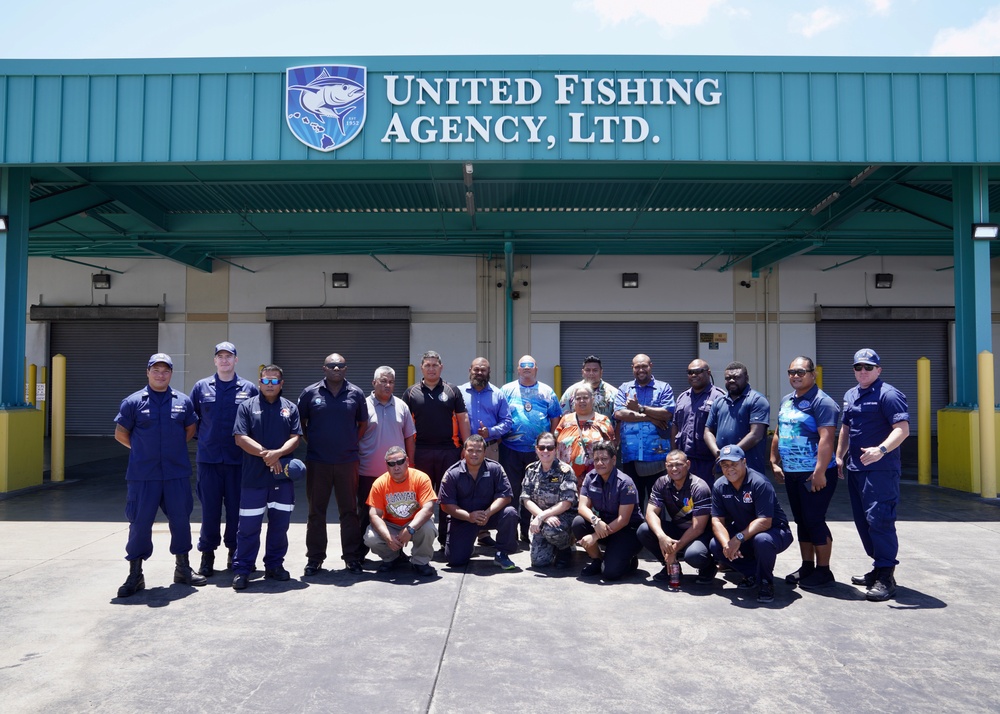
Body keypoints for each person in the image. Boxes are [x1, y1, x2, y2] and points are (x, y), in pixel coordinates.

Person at [113, 353, 206, 597]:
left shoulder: (182, 401)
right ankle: (135, 574)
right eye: (156, 370)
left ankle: (183, 568)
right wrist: (143, 450)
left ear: (171, 374)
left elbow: (190, 428)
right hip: (143, 475)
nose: (160, 374)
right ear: (148, 372)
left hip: (175, 473)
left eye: (165, 370)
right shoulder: (133, 402)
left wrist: (170, 450)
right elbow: (121, 433)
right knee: (140, 523)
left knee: (181, 520)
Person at [836, 348, 910, 602]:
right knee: (863, 521)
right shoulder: (851, 394)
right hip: (856, 468)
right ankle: (878, 567)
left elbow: (902, 430)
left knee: (880, 520)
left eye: (868, 367)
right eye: (858, 367)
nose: (863, 371)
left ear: (878, 369)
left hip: (881, 470)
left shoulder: (888, 395)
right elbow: (846, 428)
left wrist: (881, 450)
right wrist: (839, 455)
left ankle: (886, 575)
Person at [189, 341, 258, 576]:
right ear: (215, 360)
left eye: (229, 356)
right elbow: (192, 420)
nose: (225, 360)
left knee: (236, 511)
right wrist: (206, 438)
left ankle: (234, 552)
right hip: (209, 461)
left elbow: (255, 423)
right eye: (220, 356)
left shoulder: (249, 389)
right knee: (209, 510)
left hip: (239, 461)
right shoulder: (201, 387)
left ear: (236, 360)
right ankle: (207, 555)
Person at [231, 365, 303, 590]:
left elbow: (296, 438)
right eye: (266, 381)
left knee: (279, 526)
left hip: (282, 480)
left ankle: (274, 565)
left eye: (274, 381)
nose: (270, 385)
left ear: (281, 384)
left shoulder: (290, 408)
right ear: (259, 382)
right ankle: (243, 569)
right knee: (248, 527)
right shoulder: (246, 406)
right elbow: (240, 438)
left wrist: (278, 454)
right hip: (253, 479)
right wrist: (267, 455)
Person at [771, 356, 840, 589]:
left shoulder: (822, 402)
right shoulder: (787, 401)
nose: (795, 376)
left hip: (814, 474)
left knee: (814, 519)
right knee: (801, 520)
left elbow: (827, 438)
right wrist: (774, 461)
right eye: (791, 372)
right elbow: (780, 431)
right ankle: (807, 565)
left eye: (801, 372)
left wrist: (820, 472)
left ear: (813, 374)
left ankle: (824, 571)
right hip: (792, 472)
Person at [297, 352, 369, 576]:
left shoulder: (356, 394)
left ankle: (352, 557)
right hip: (318, 461)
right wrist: (315, 442)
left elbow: (363, 424)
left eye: (341, 366)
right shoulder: (310, 393)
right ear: (324, 369)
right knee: (316, 512)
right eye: (332, 366)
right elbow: (301, 423)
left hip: (348, 462)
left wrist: (349, 443)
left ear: (346, 369)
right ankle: (315, 558)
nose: (336, 369)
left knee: (349, 512)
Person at [402, 350, 471, 547]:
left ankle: (445, 541)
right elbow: (405, 425)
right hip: (420, 452)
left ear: (441, 367)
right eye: (427, 365)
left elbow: (463, 419)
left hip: (449, 451)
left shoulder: (452, 391)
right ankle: (419, 541)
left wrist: (466, 447)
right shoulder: (411, 392)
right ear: (421, 368)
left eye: (435, 365)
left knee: (446, 499)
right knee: (420, 499)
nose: (431, 369)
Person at [709, 445, 793, 604]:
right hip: (746, 532)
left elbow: (765, 522)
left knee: (761, 541)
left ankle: (766, 582)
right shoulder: (719, 485)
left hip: (776, 531)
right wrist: (727, 543)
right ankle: (753, 574)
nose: (729, 469)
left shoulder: (759, 482)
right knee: (716, 545)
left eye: (734, 464)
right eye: (725, 465)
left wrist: (738, 538)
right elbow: (717, 520)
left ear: (744, 462)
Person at [499, 355, 562, 540]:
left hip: (538, 452)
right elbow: (500, 415)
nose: (526, 368)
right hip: (510, 449)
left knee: (534, 492)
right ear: (518, 369)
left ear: (536, 369)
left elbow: (555, 418)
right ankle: (510, 532)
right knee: (511, 491)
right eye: (523, 366)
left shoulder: (547, 391)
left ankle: (529, 533)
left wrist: (548, 444)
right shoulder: (506, 390)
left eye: (530, 366)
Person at [357, 366, 416, 555]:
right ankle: (359, 555)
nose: (387, 385)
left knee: (398, 513)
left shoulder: (401, 406)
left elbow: (409, 438)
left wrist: (410, 465)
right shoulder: (362, 406)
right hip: (367, 472)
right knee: (365, 516)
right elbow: (354, 437)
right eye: (383, 381)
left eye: (391, 381)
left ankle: (396, 554)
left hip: (396, 475)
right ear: (374, 383)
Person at [636, 450, 716, 587]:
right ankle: (670, 565)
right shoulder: (662, 483)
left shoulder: (699, 487)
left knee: (694, 555)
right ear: (665, 466)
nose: (674, 469)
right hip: (678, 529)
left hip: (700, 534)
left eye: (678, 465)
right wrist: (662, 537)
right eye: (670, 465)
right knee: (644, 530)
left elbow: (698, 528)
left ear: (688, 464)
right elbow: (650, 513)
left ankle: (708, 567)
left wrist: (674, 549)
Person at [438, 435, 519, 570]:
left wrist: (488, 513)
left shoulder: (495, 469)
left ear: (485, 452)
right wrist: (469, 516)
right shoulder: (452, 473)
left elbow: (505, 496)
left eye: (478, 451)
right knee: (455, 560)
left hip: (489, 516)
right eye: (470, 450)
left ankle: (502, 553)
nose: (474, 454)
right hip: (463, 518)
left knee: (510, 513)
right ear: (464, 451)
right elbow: (445, 505)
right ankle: (467, 545)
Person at [459, 357, 513, 547]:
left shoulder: (498, 395)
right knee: (463, 487)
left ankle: (482, 532)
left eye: (483, 370)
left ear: (489, 372)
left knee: (486, 488)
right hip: (463, 450)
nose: (479, 373)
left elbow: (508, 422)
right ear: (470, 370)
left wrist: (491, 431)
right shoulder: (459, 392)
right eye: (476, 369)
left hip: (489, 448)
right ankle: (464, 528)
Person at [572, 440, 643, 581]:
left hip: (627, 530)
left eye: (604, 459)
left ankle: (629, 559)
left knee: (611, 573)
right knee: (578, 522)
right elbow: (582, 507)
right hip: (604, 525)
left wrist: (595, 536)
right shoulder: (590, 478)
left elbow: (623, 520)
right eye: (596, 459)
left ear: (614, 459)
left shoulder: (625, 483)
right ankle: (597, 560)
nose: (599, 463)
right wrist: (595, 520)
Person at [363, 446, 438, 577]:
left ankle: (420, 562)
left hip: (415, 522)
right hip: (391, 524)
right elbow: (374, 515)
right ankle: (392, 557)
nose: (396, 467)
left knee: (428, 528)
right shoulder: (379, 483)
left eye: (400, 462)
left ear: (407, 461)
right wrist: (387, 536)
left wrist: (410, 529)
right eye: (391, 464)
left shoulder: (421, 478)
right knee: (371, 538)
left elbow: (428, 509)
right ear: (386, 466)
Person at [614, 353, 675, 509]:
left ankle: (657, 532)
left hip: (657, 457)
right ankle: (635, 533)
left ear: (651, 366)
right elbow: (619, 414)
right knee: (633, 502)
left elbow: (667, 413)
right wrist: (651, 418)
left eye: (644, 366)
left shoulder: (663, 388)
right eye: (637, 367)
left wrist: (640, 408)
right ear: (632, 368)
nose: (641, 370)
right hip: (631, 458)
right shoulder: (625, 388)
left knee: (658, 503)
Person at [520, 432, 578, 568]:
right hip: (541, 519)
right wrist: (542, 517)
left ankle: (565, 548)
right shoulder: (531, 470)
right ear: (536, 449)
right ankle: (552, 545)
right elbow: (526, 499)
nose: (545, 451)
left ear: (556, 449)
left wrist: (541, 516)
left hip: (563, 517)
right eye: (542, 447)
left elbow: (567, 503)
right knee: (539, 562)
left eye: (550, 448)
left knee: (551, 530)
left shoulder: (565, 471)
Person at [704, 361, 770, 475]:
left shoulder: (757, 400)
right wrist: (718, 453)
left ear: (747, 378)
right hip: (723, 467)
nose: (732, 381)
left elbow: (756, 435)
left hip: (749, 469)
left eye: (736, 377)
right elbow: (707, 431)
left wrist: (729, 455)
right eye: (728, 378)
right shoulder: (719, 402)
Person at [671, 359, 726, 481]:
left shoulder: (719, 397)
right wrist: (674, 456)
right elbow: (675, 426)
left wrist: (720, 460)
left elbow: (724, 430)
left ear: (708, 372)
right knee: (686, 498)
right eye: (690, 372)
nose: (694, 375)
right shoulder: (682, 397)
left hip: (709, 461)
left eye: (698, 371)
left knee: (708, 497)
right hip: (685, 461)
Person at [553, 383, 616, 484]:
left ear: (592, 399)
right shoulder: (565, 420)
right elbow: (554, 443)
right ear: (574, 401)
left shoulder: (603, 420)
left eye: (585, 397)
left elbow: (611, 448)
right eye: (578, 398)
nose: (582, 401)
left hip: (594, 479)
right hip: (565, 479)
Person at [559, 354, 619, 423]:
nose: (591, 373)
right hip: (575, 432)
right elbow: (562, 417)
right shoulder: (571, 392)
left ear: (601, 372)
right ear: (582, 372)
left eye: (595, 370)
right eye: (587, 370)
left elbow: (619, 421)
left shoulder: (613, 393)